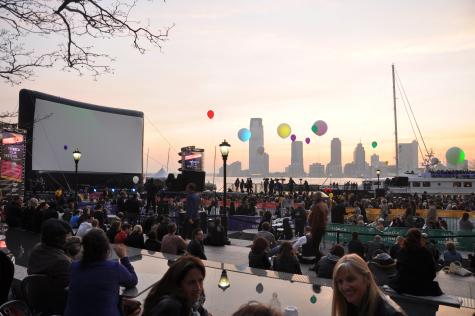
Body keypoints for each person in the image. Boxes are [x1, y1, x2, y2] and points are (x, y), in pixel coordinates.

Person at [64, 229, 138, 316]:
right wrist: (124, 258)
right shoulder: (114, 267)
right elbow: (133, 281)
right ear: (106, 248)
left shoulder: (74, 266)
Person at [332, 254, 406, 316]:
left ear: (367, 278)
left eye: (350, 279)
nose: (345, 287)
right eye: (340, 281)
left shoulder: (391, 314)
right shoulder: (350, 305)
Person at [142, 256, 210, 316]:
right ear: (178, 284)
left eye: (200, 280)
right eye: (191, 282)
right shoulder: (172, 307)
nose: (198, 287)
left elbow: (201, 310)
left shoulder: (190, 299)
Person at [389, 228, 443, 296]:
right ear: (420, 238)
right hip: (421, 287)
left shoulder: (402, 251)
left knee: (391, 279)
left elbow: (398, 268)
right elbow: (432, 273)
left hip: (403, 285)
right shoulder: (426, 253)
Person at [27, 219, 73, 289]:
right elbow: (66, 287)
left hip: (33, 290)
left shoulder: (37, 247)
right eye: (68, 235)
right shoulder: (62, 261)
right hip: (49, 297)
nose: (70, 238)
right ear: (59, 238)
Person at [308, 193, 328, 263]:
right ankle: (318, 260)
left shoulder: (317, 206)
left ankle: (321, 260)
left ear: (317, 198)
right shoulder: (324, 205)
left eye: (314, 197)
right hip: (322, 228)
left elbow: (315, 220)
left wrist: (312, 231)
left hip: (317, 229)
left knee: (314, 246)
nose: (313, 198)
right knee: (316, 246)